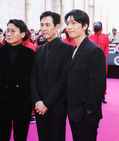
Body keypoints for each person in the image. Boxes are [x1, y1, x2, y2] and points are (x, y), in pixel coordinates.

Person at [0, 19, 35, 141]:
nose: (8, 34)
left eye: (13, 31)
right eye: (7, 30)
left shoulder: (30, 54)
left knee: (21, 136)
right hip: (1, 102)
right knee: (2, 136)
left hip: (22, 102)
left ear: (23, 34)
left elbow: (32, 79)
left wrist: (30, 101)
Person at [30, 11, 74, 141]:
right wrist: (37, 101)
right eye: (42, 25)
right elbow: (33, 76)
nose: (43, 28)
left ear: (57, 27)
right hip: (39, 107)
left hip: (57, 106)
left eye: (48, 25)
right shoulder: (39, 49)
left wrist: (46, 103)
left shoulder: (68, 49)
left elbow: (64, 79)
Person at [65, 9, 106, 141]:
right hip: (73, 112)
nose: (69, 27)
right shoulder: (74, 49)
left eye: (74, 23)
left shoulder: (94, 51)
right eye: (67, 23)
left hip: (86, 115)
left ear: (85, 26)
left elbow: (98, 86)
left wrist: (88, 113)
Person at [89, 21, 109, 103]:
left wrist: (102, 59)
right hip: (91, 62)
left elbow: (106, 49)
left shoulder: (105, 37)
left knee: (102, 79)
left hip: (102, 62)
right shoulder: (90, 37)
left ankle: (102, 95)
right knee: (91, 78)